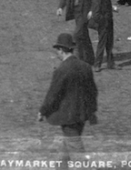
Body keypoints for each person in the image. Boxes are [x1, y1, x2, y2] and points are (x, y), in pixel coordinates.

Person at [38, 33, 98, 161]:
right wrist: (92, 111)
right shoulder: (85, 67)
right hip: (82, 114)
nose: (57, 54)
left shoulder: (62, 70)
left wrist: (42, 111)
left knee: (76, 151)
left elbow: (53, 94)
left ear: (61, 50)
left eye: (57, 50)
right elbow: (92, 91)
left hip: (68, 116)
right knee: (67, 146)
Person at [57, 0, 97, 65]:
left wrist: (92, 10)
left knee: (77, 35)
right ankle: (90, 59)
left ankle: (78, 59)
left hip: (85, 12)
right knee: (84, 35)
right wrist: (61, 7)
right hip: (76, 11)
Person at [89, 0, 115, 72]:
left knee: (109, 43)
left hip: (109, 23)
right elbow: (96, 15)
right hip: (103, 25)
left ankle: (110, 63)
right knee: (102, 44)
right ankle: (97, 65)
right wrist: (103, 21)